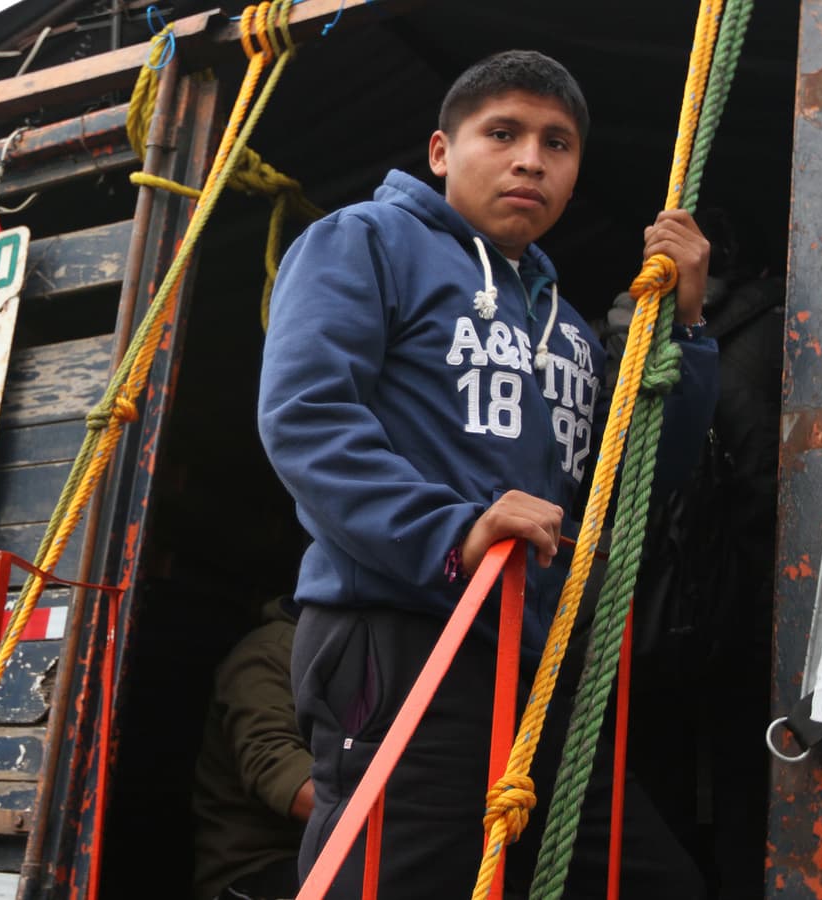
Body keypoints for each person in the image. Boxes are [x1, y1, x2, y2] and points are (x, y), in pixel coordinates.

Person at [257, 50, 717, 898]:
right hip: (404, 628)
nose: (530, 160)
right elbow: (306, 418)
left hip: (540, 664)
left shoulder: (570, 328)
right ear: (441, 151)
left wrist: (686, 328)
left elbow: (640, 482)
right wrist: (452, 530)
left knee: (656, 883)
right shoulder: (365, 240)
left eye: (557, 144)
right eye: (501, 133)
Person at [192, 596, 313, 900]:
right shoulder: (269, 652)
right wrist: (390, 820)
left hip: (317, 852)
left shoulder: (346, 647)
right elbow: (274, 766)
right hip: (255, 869)